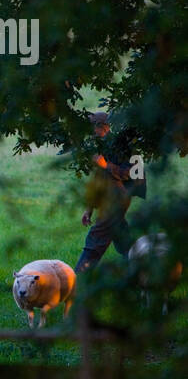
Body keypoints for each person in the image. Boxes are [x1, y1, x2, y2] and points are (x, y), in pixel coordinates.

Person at [75, 111, 146, 273]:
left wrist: (106, 165)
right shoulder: (100, 146)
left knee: (96, 237)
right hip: (107, 197)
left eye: (93, 128)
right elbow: (97, 179)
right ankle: (140, 270)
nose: (91, 133)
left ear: (103, 127)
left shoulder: (123, 146)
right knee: (123, 240)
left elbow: (133, 173)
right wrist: (89, 208)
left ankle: (79, 279)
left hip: (118, 197)